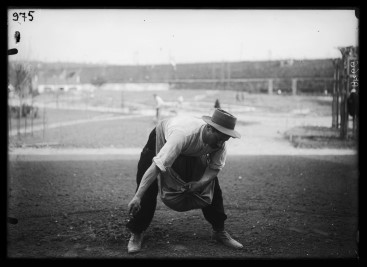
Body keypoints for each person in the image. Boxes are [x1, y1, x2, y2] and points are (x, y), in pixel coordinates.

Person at [126, 108, 243, 253]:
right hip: (162, 137)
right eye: (218, 139)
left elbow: (214, 168)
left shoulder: (220, 141)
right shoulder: (182, 135)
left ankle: (219, 230)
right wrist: (138, 196)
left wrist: (200, 183)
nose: (220, 144)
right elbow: (156, 167)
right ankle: (137, 232)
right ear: (208, 129)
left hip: (191, 147)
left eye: (224, 140)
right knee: (146, 182)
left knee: (212, 184)